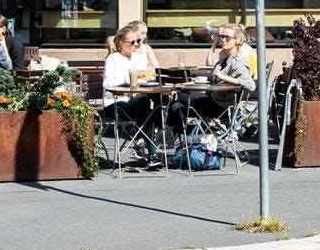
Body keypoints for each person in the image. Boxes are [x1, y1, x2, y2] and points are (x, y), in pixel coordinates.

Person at [171, 22, 252, 133]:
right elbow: (211, 76)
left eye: (227, 37)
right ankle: (184, 142)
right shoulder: (225, 58)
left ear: (237, 40)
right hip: (214, 100)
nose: (222, 40)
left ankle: (169, 133)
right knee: (176, 107)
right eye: (221, 37)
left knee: (179, 94)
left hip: (223, 107)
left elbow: (249, 85)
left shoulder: (239, 61)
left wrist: (223, 76)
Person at [103, 24, 161, 168]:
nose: (136, 45)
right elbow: (108, 83)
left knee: (145, 103)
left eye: (138, 42)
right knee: (146, 111)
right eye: (132, 42)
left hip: (132, 101)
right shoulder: (113, 59)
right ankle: (151, 153)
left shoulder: (137, 58)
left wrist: (148, 75)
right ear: (121, 43)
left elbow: (145, 78)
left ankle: (148, 151)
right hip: (114, 102)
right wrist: (130, 78)